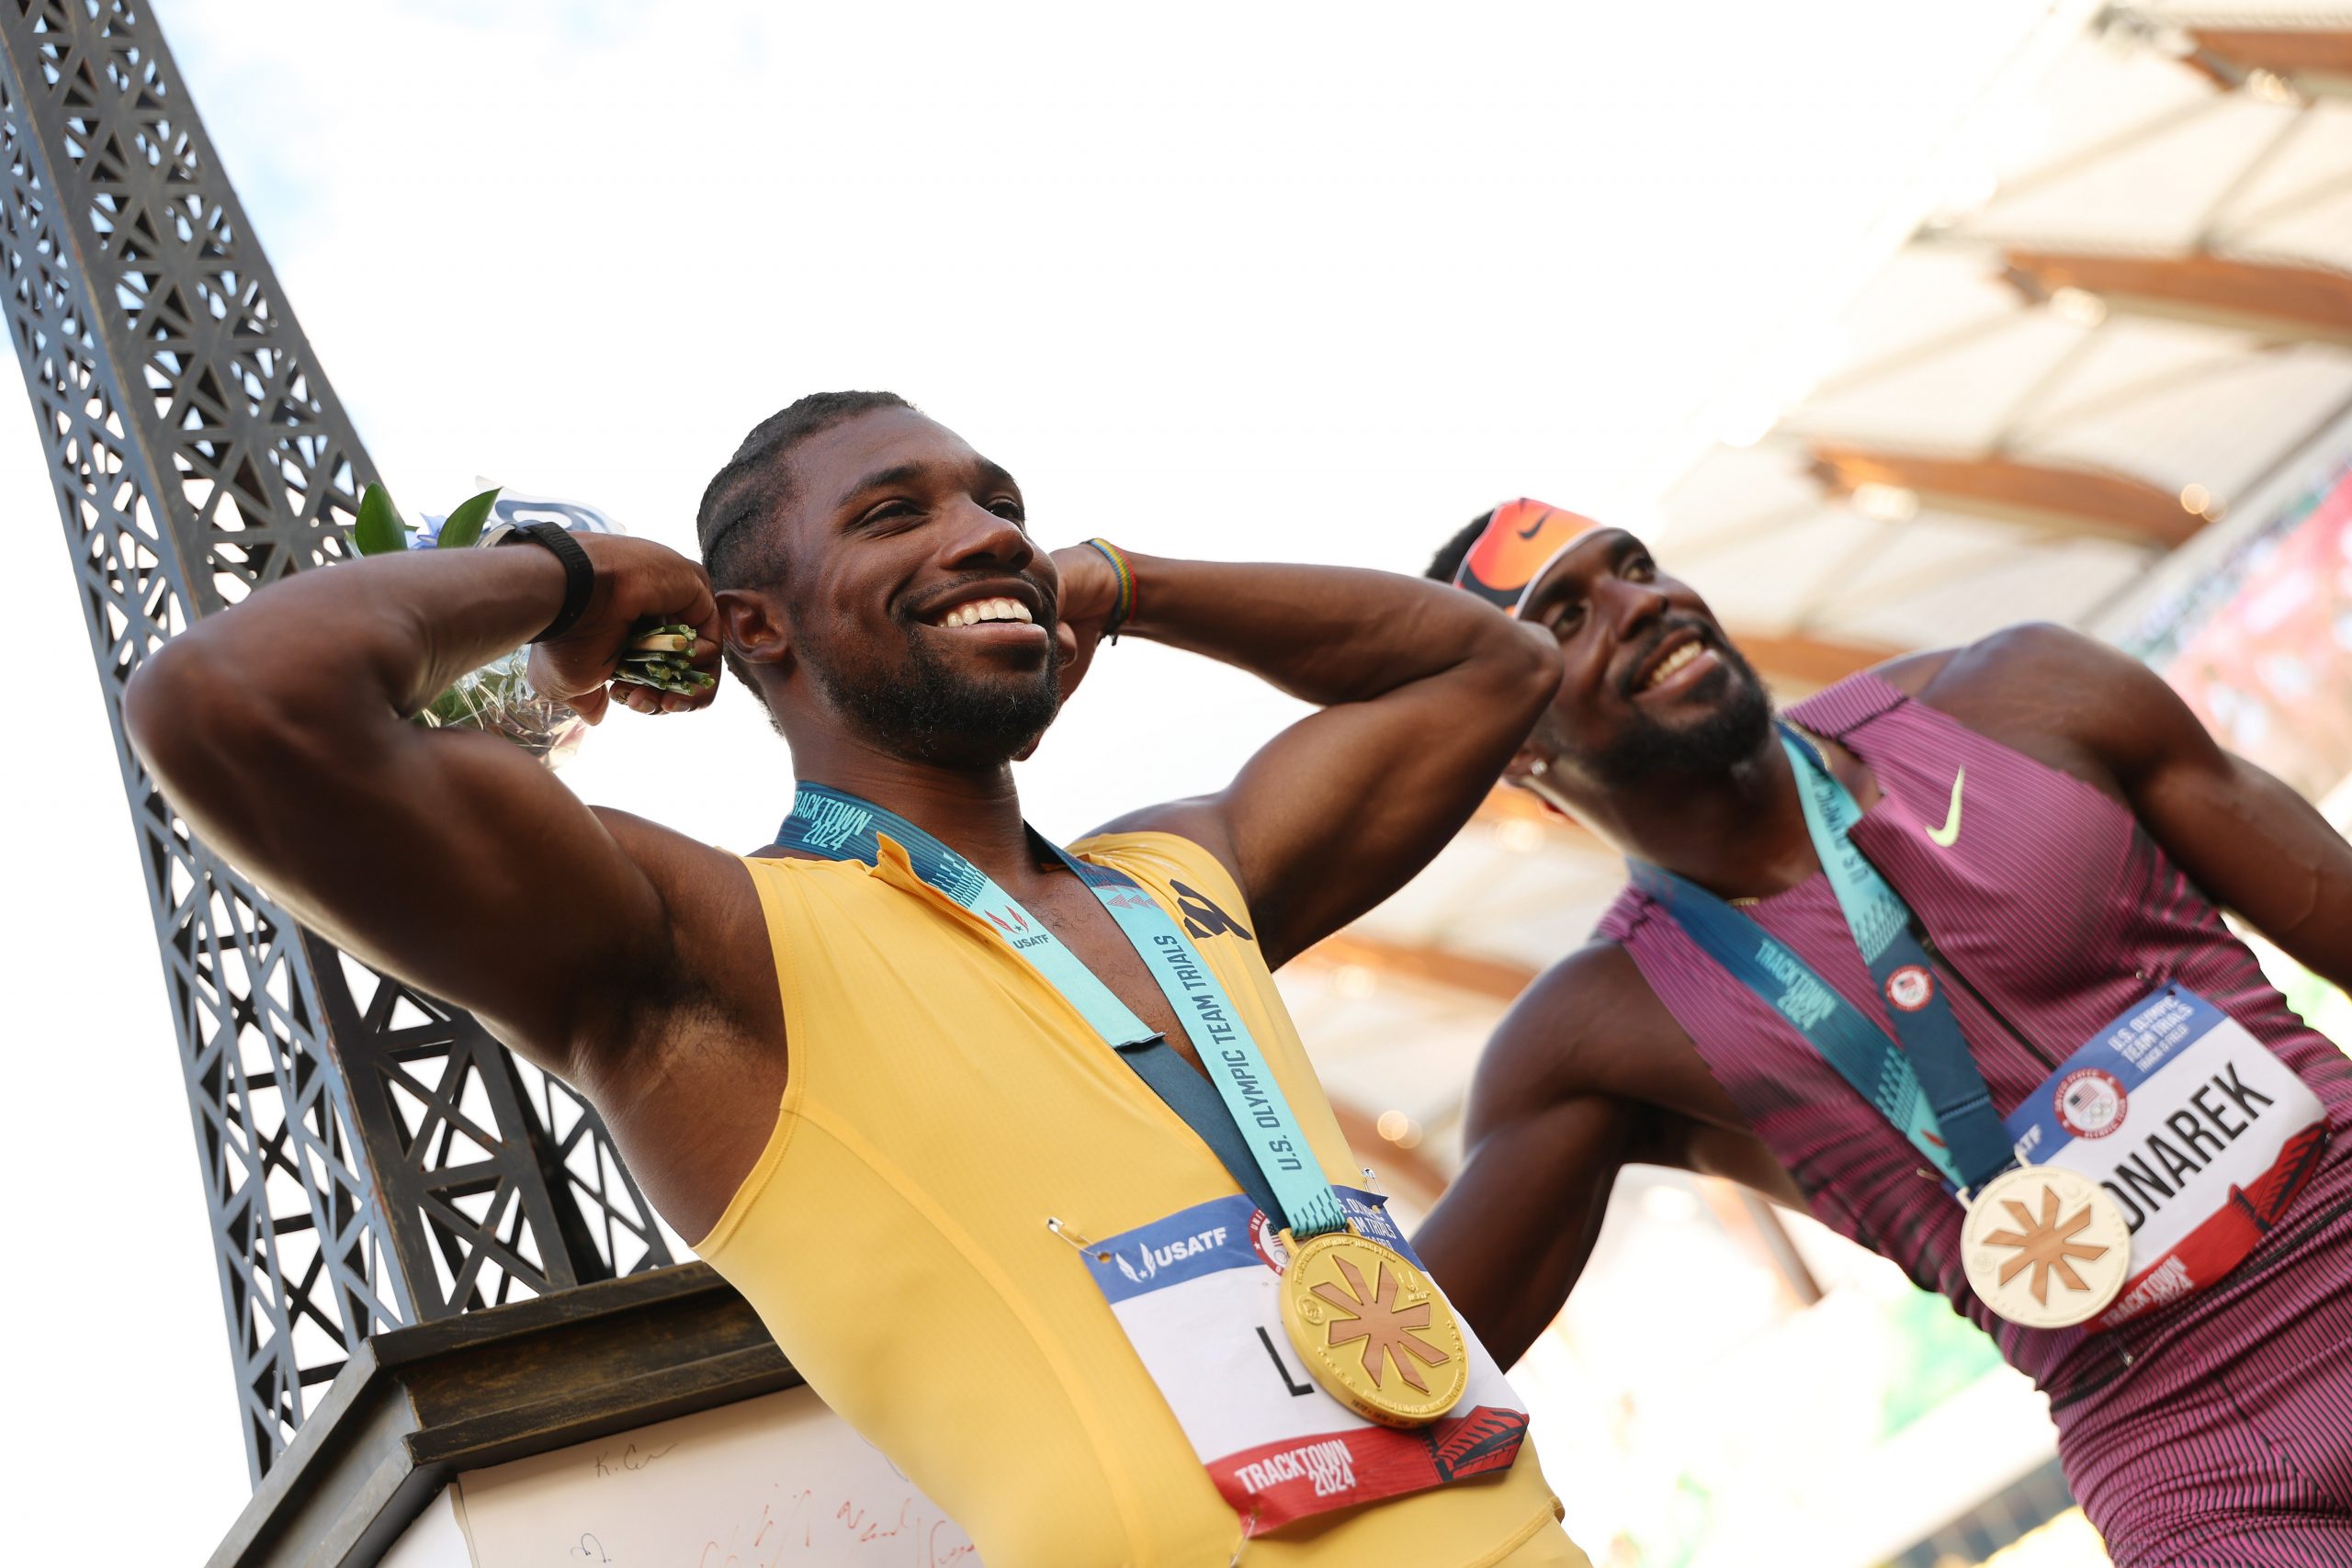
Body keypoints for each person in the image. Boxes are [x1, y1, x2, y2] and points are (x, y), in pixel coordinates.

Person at [123, 394, 1585, 1567]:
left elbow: (1490, 668)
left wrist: (1122, 581)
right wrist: (573, 575)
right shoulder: (705, 951)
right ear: (754, 623)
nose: (984, 532)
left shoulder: (1184, 873)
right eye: (899, 514)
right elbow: (232, 701)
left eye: (998, 504)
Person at [1411, 498, 2352, 1565]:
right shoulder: (1594, 1035)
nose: (1642, 603)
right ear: (1511, 745)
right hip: (2196, 1458)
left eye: (1634, 566)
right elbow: (1398, 1384)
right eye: (1566, 617)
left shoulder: (2021, 697)